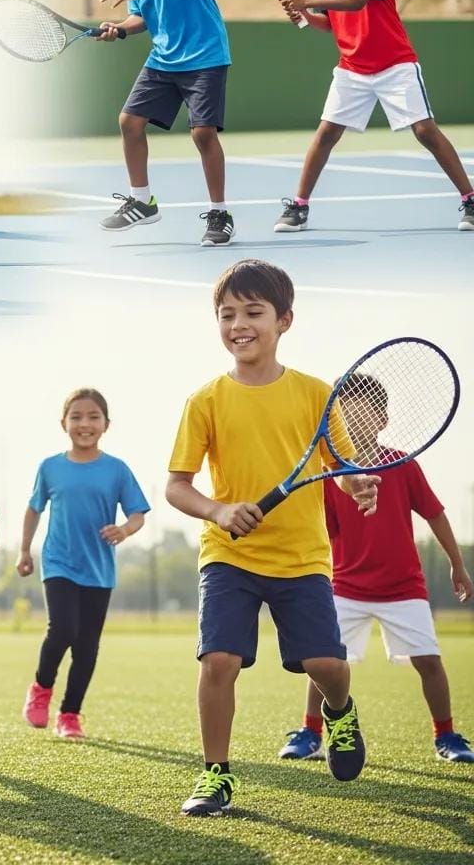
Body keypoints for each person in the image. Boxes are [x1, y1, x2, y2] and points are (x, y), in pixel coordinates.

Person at [166, 259, 380, 816]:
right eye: (227, 313)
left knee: (326, 666)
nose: (239, 324)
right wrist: (217, 509)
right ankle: (216, 775)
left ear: (284, 320)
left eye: (253, 312)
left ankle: (339, 710)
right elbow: (176, 486)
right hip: (228, 557)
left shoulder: (316, 394)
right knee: (218, 660)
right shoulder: (205, 400)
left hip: (302, 559)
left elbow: (343, 465)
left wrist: (359, 484)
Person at [278, 373, 474, 765]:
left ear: (382, 417)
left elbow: (435, 515)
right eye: (342, 411)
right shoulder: (329, 475)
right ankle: (311, 733)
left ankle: (447, 736)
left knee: (430, 662)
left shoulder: (404, 465)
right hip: (345, 586)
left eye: (363, 410)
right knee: (324, 661)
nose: (352, 419)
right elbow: (322, 533)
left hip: (404, 587)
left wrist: (457, 564)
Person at [274, 0, 474, 233]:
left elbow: (357, 1)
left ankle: (470, 198)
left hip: (395, 65)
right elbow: (332, 22)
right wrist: (306, 16)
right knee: (325, 134)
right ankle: (299, 206)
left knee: (425, 131)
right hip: (352, 69)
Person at [96, 0, 234, 246]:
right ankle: (142, 202)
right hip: (163, 57)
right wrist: (120, 29)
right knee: (129, 121)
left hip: (204, 55)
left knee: (203, 133)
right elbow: (140, 16)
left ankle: (220, 214)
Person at [18, 387, 149, 740]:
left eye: (93, 416)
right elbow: (34, 508)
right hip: (59, 561)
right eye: (76, 416)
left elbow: (138, 514)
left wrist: (124, 529)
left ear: (106, 423)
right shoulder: (50, 467)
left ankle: (70, 715)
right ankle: (41, 689)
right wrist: (24, 550)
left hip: (99, 569)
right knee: (62, 628)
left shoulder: (117, 470)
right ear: (64, 423)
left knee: (87, 645)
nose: (84, 423)